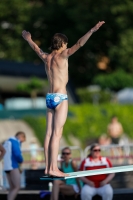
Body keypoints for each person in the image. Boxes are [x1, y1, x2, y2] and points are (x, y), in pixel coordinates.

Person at [22, 21, 105, 177]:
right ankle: (53, 168)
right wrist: (92, 30)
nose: (67, 46)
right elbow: (80, 43)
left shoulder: (46, 58)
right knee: (57, 134)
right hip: (60, 96)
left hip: (49, 97)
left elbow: (36, 48)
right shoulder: (63, 55)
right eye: (66, 44)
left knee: (48, 134)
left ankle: (47, 168)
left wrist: (28, 39)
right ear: (62, 44)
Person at [3, 131, 26, 200]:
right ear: (21, 137)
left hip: (6, 167)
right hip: (13, 166)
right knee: (17, 187)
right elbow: (17, 154)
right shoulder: (15, 141)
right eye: (22, 141)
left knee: (12, 188)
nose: (21, 143)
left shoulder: (7, 142)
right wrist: (21, 160)